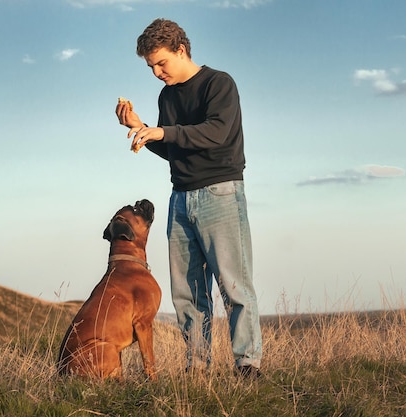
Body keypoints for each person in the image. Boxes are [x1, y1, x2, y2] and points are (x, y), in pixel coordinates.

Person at [115, 18, 262, 377]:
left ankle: (247, 367)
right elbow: (174, 148)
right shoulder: (167, 96)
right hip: (180, 198)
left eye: (161, 63)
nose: (157, 73)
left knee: (234, 287)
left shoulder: (218, 83)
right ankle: (197, 368)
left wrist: (161, 130)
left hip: (220, 192)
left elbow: (215, 132)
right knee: (188, 293)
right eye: (151, 67)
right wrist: (141, 130)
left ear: (181, 50)